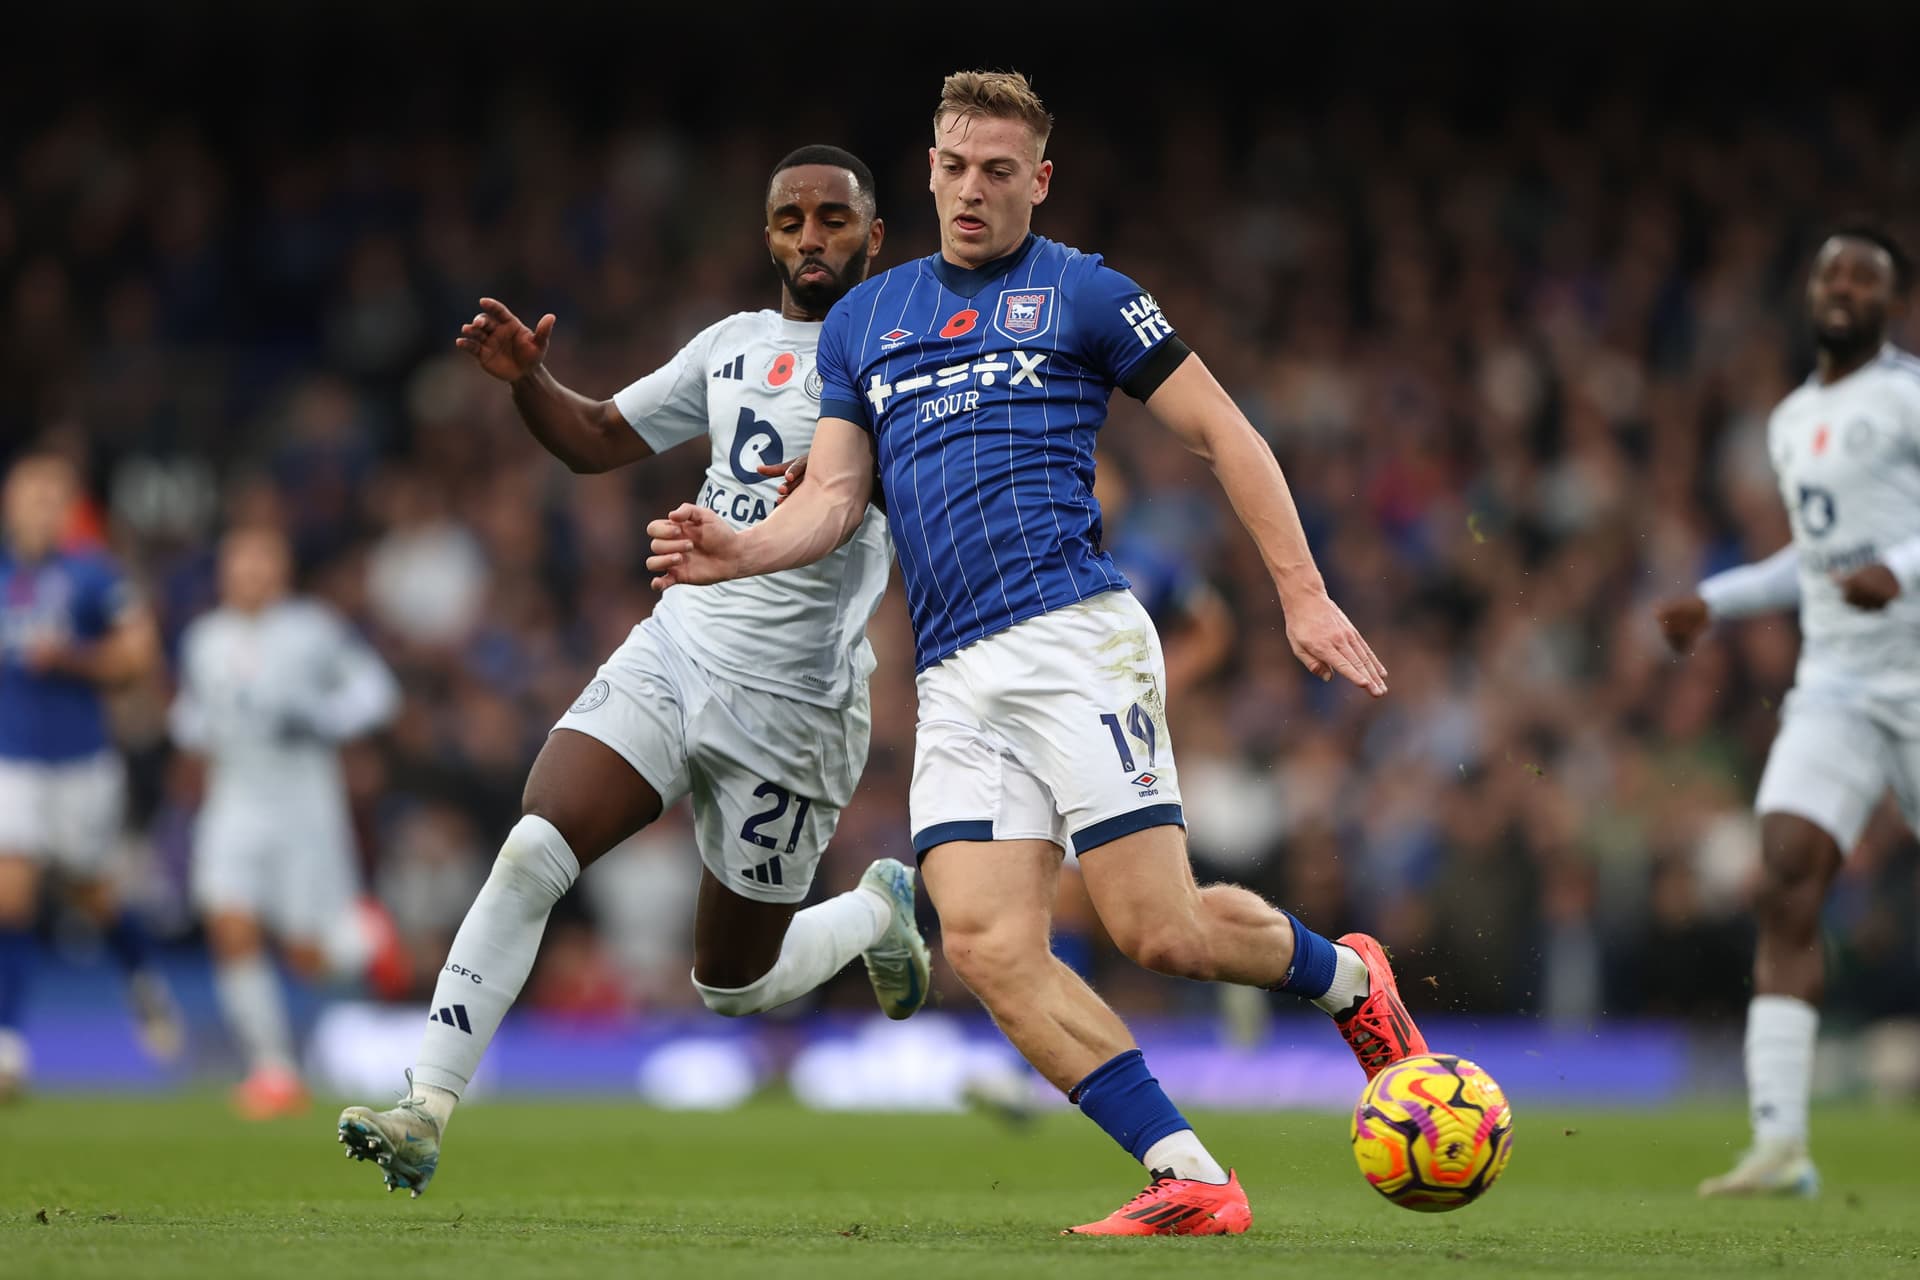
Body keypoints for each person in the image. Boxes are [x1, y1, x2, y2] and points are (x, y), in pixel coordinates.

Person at [647, 72, 1425, 1236]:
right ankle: (1190, 1175)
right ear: (928, 168)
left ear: (1038, 181)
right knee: (988, 945)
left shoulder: (1083, 291)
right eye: (956, 167)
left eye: (999, 172)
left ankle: (1351, 978)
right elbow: (836, 497)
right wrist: (741, 549)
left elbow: (1227, 432)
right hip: (954, 674)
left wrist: (1301, 596)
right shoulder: (869, 319)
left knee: (1154, 928)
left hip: (1073, 637)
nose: (972, 190)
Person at [337, 145, 930, 1196]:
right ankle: (425, 1105)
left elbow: (907, 508)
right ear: (768, 236)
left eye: (833, 219)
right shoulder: (733, 347)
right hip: (681, 646)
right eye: (790, 219)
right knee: (532, 846)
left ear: (874, 236)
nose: (811, 238)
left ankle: (876, 914)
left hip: (794, 711)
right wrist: (531, 382)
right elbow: (600, 436)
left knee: (731, 984)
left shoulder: (904, 365)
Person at [1655, 224, 1920, 1198]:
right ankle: (1780, 1140)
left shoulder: (1908, 395)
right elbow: (1813, 566)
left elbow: (1889, 553)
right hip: (1839, 686)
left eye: (1868, 276)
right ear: (1809, 292)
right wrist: (1715, 600)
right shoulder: (1789, 418)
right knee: (1784, 872)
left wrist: (1902, 568)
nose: (1845, 286)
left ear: (1893, 302)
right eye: (1832, 272)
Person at [169, 524, 400, 1117]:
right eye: (240, 562)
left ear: (281, 571)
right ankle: (272, 1070)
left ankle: (368, 938)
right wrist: (191, 729)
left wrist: (325, 719)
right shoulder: (204, 638)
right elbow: (193, 713)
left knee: (308, 955)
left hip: (304, 807)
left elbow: (377, 692)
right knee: (229, 924)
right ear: (225, 571)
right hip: (234, 803)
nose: (250, 573)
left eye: (261, 562)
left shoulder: (312, 630)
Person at [0, 452, 180, 1100]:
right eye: (30, 496)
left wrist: (71, 658)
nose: (41, 508)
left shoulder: (94, 576)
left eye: (54, 498)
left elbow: (138, 658)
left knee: (93, 894)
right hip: (11, 760)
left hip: (81, 763)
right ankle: (9, 1045)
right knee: (10, 891)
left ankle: (142, 979)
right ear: (11, 505)